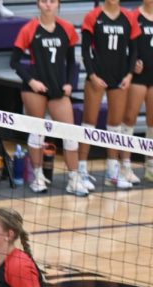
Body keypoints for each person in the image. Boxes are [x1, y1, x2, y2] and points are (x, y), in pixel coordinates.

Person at [11, 0, 89, 196]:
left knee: (70, 135)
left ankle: (74, 178)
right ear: (38, 4)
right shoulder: (29, 29)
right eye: (44, 1)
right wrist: (31, 82)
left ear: (58, 5)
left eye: (52, 1)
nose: (48, 5)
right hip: (34, 88)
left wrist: (70, 83)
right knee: (38, 132)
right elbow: (14, 62)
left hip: (58, 89)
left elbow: (72, 61)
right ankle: (37, 176)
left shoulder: (67, 28)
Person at [79, 0, 139, 189]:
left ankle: (112, 172)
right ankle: (81, 170)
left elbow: (134, 50)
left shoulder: (129, 17)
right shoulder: (93, 16)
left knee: (115, 125)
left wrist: (129, 75)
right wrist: (91, 75)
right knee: (89, 123)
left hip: (119, 77)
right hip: (97, 76)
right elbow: (85, 50)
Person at [122, 0, 153, 184]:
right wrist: (131, 63)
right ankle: (125, 165)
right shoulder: (133, 16)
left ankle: (150, 165)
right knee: (129, 118)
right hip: (138, 77)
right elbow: (123, 46)